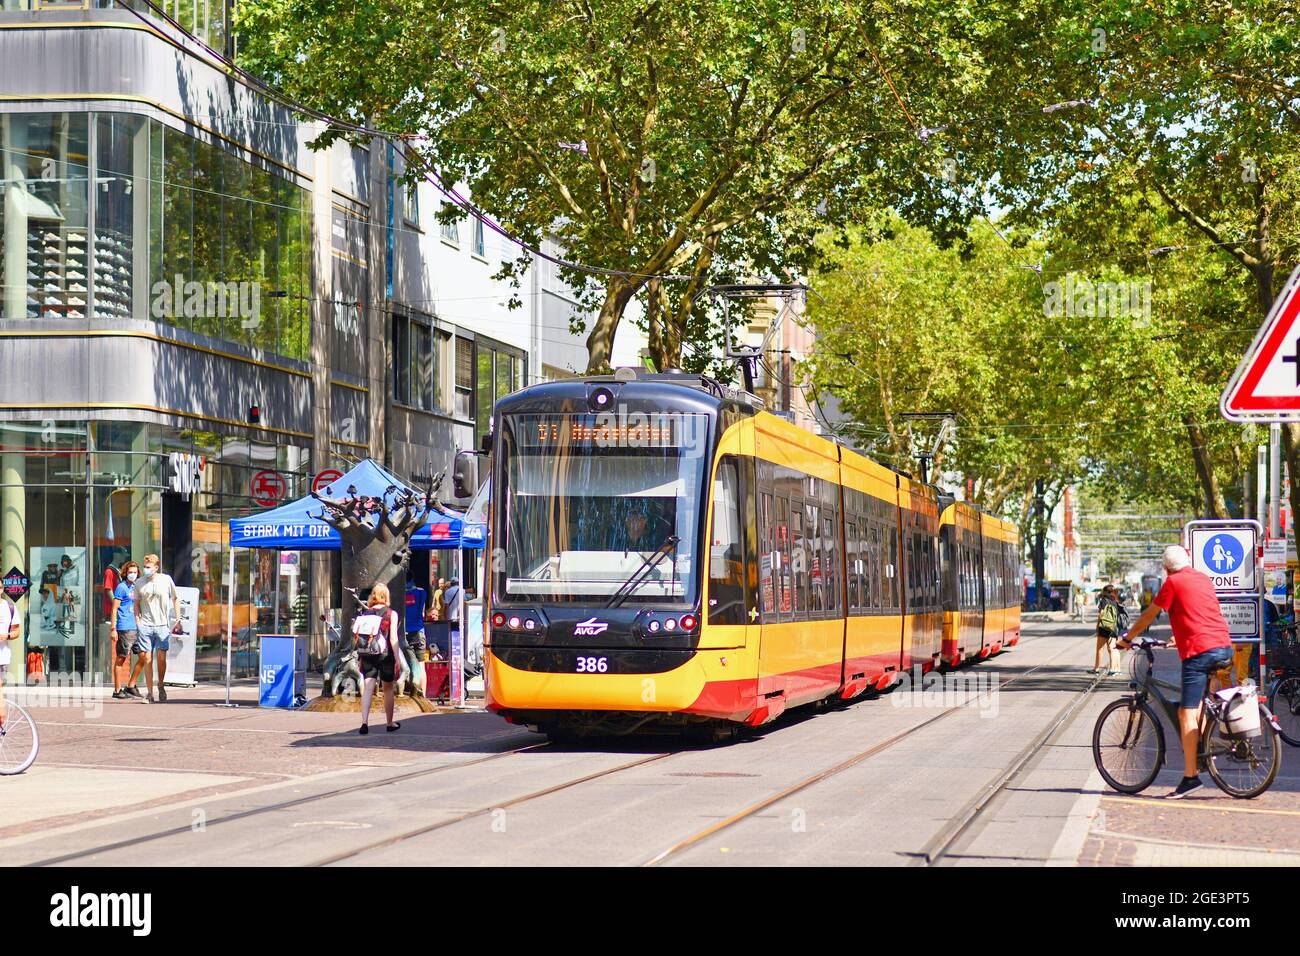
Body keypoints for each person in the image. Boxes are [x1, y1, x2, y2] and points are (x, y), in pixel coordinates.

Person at [1119, 545, 1234, 799]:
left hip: (1199, 652)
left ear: (1166, 568)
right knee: (1199, 707)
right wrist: (1178, 635)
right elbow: (1199, 613)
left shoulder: (1173, 582)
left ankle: (1190, 777)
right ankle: (1205, 751)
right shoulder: (1201, 578)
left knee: (1186, 712)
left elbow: (1150, 614)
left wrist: (1128, 637)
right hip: (1223, 648)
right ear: (1188, 561)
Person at [354, 583, 407, 735]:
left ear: (373, 596)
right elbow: (393, 639)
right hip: (385, 655)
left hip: (367, 654)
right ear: (386, 596)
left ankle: (364, 723)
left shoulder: (365, 614)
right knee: (388, 688)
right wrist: (397, 659)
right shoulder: (391, 614)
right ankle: (390, 723)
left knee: (368, 688)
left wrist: (359, 657)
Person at [127, 554, 180, 703]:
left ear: (156, 567)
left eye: (149, 567)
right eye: (145, 566)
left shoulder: (166, 580)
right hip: (146, 625)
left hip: (162, 625)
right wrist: (138, 621)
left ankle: (161, 684)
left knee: (161, 658)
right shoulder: (139, 583)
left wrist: (178, 617)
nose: (146, 569)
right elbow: (136, 603)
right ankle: (150, 694)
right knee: (147, 659)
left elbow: (175, 598)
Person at [109, 561, 141, 700]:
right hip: (124, 627)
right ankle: (117, 690)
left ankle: (131, 685)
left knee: (145, 656)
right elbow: (114, 608)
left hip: (138, 626)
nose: (132, 574)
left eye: (135, 572)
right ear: (125, 573)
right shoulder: (121, 587)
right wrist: (113, 628)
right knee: (121, 658)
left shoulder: (138, 587)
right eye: (130, 572)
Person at [1092, 585, 1123, 676]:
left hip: (1104, 627)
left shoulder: (1103, 600)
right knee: (1112, 649)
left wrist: (1097, 626)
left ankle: (1096, 668)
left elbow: (1101, 614)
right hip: (1113, 628)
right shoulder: (1115, 601)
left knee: (1100, 649)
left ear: (1105, 592)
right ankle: (1113, 669)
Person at [404, 577, 428, 662]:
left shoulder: (400, 594)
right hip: (419, 631)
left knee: (408, 663)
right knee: (421, 664)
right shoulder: (422, 592)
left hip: (405, 633)